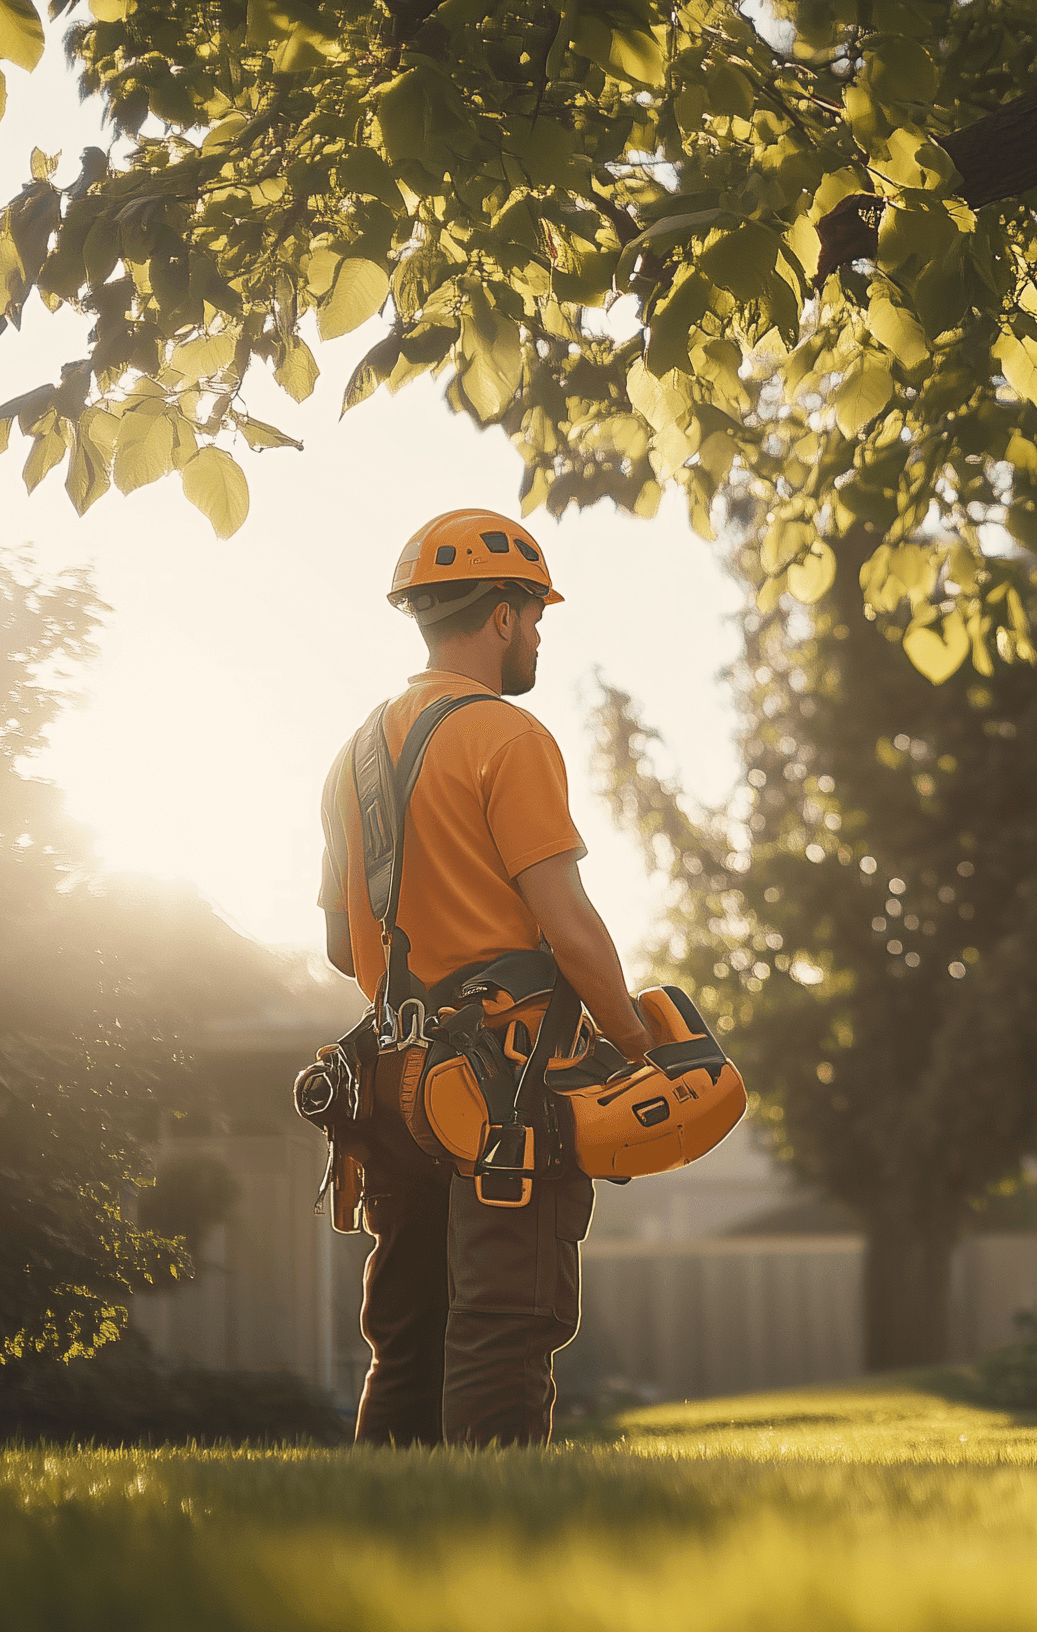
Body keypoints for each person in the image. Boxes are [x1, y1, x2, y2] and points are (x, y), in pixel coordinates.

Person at [317, 508, 653, 1447]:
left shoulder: (353, 758)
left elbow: (345, 949)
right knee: (504, 1327)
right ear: (501, 616)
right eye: (536, 614)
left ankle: (390, 1534)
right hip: (503, 1088)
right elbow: (569, 923)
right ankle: (496, 1539)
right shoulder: (508, 736)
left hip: (391, 1084)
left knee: (407, 1336)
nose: (539, 633)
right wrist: (636, 1044)